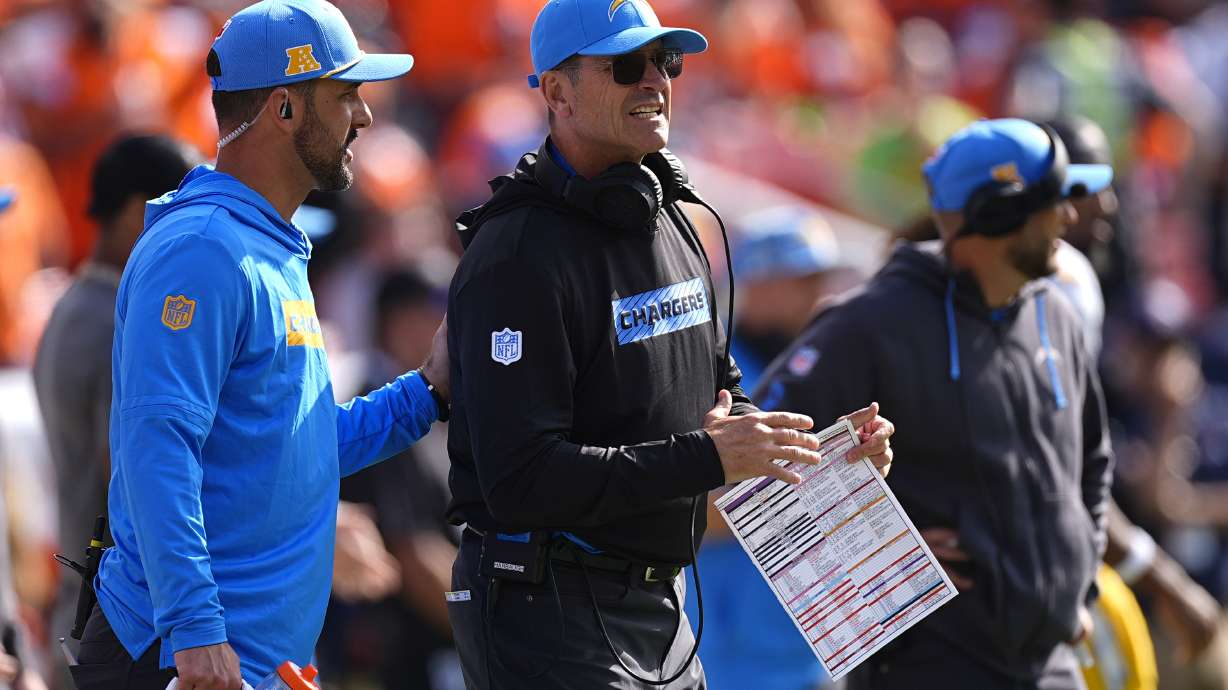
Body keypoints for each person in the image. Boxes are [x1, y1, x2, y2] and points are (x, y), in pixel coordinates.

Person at [444, 1, 895, 688]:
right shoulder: (517, 254)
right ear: (558, 92)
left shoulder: (672, 220)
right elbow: (521, 479)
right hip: (547, 617)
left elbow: (722, 395)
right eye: (627, 65)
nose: (654, 80)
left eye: (666, 61)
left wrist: (823, 458)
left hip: (661, 609)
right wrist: (704, 458)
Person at [78, 2, 449, 689]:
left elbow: (288, 450)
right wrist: (195, 630)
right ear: (284, 109)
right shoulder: (203, 248)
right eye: (345, 95)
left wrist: (427, 393)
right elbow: (156, 447)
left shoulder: (263, 246)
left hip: (244, 661)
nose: (364, 117)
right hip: (187, 661)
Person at [756, 118, 1115, 690]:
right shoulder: (868, 326)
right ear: (997, 214)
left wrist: (1080, 588)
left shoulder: (1059, 316)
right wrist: (874, 561)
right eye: (1053, 201)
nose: (1069, 218)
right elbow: (747, 481)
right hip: (926, 671)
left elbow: (1093, 467)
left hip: (1053, 668)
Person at [33, 134, 199, 669]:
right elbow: (136, 477)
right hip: (119, 626)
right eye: (180, 211)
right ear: (137, 212)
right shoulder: (116, 320)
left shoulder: (74, 306)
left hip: (87, 613)